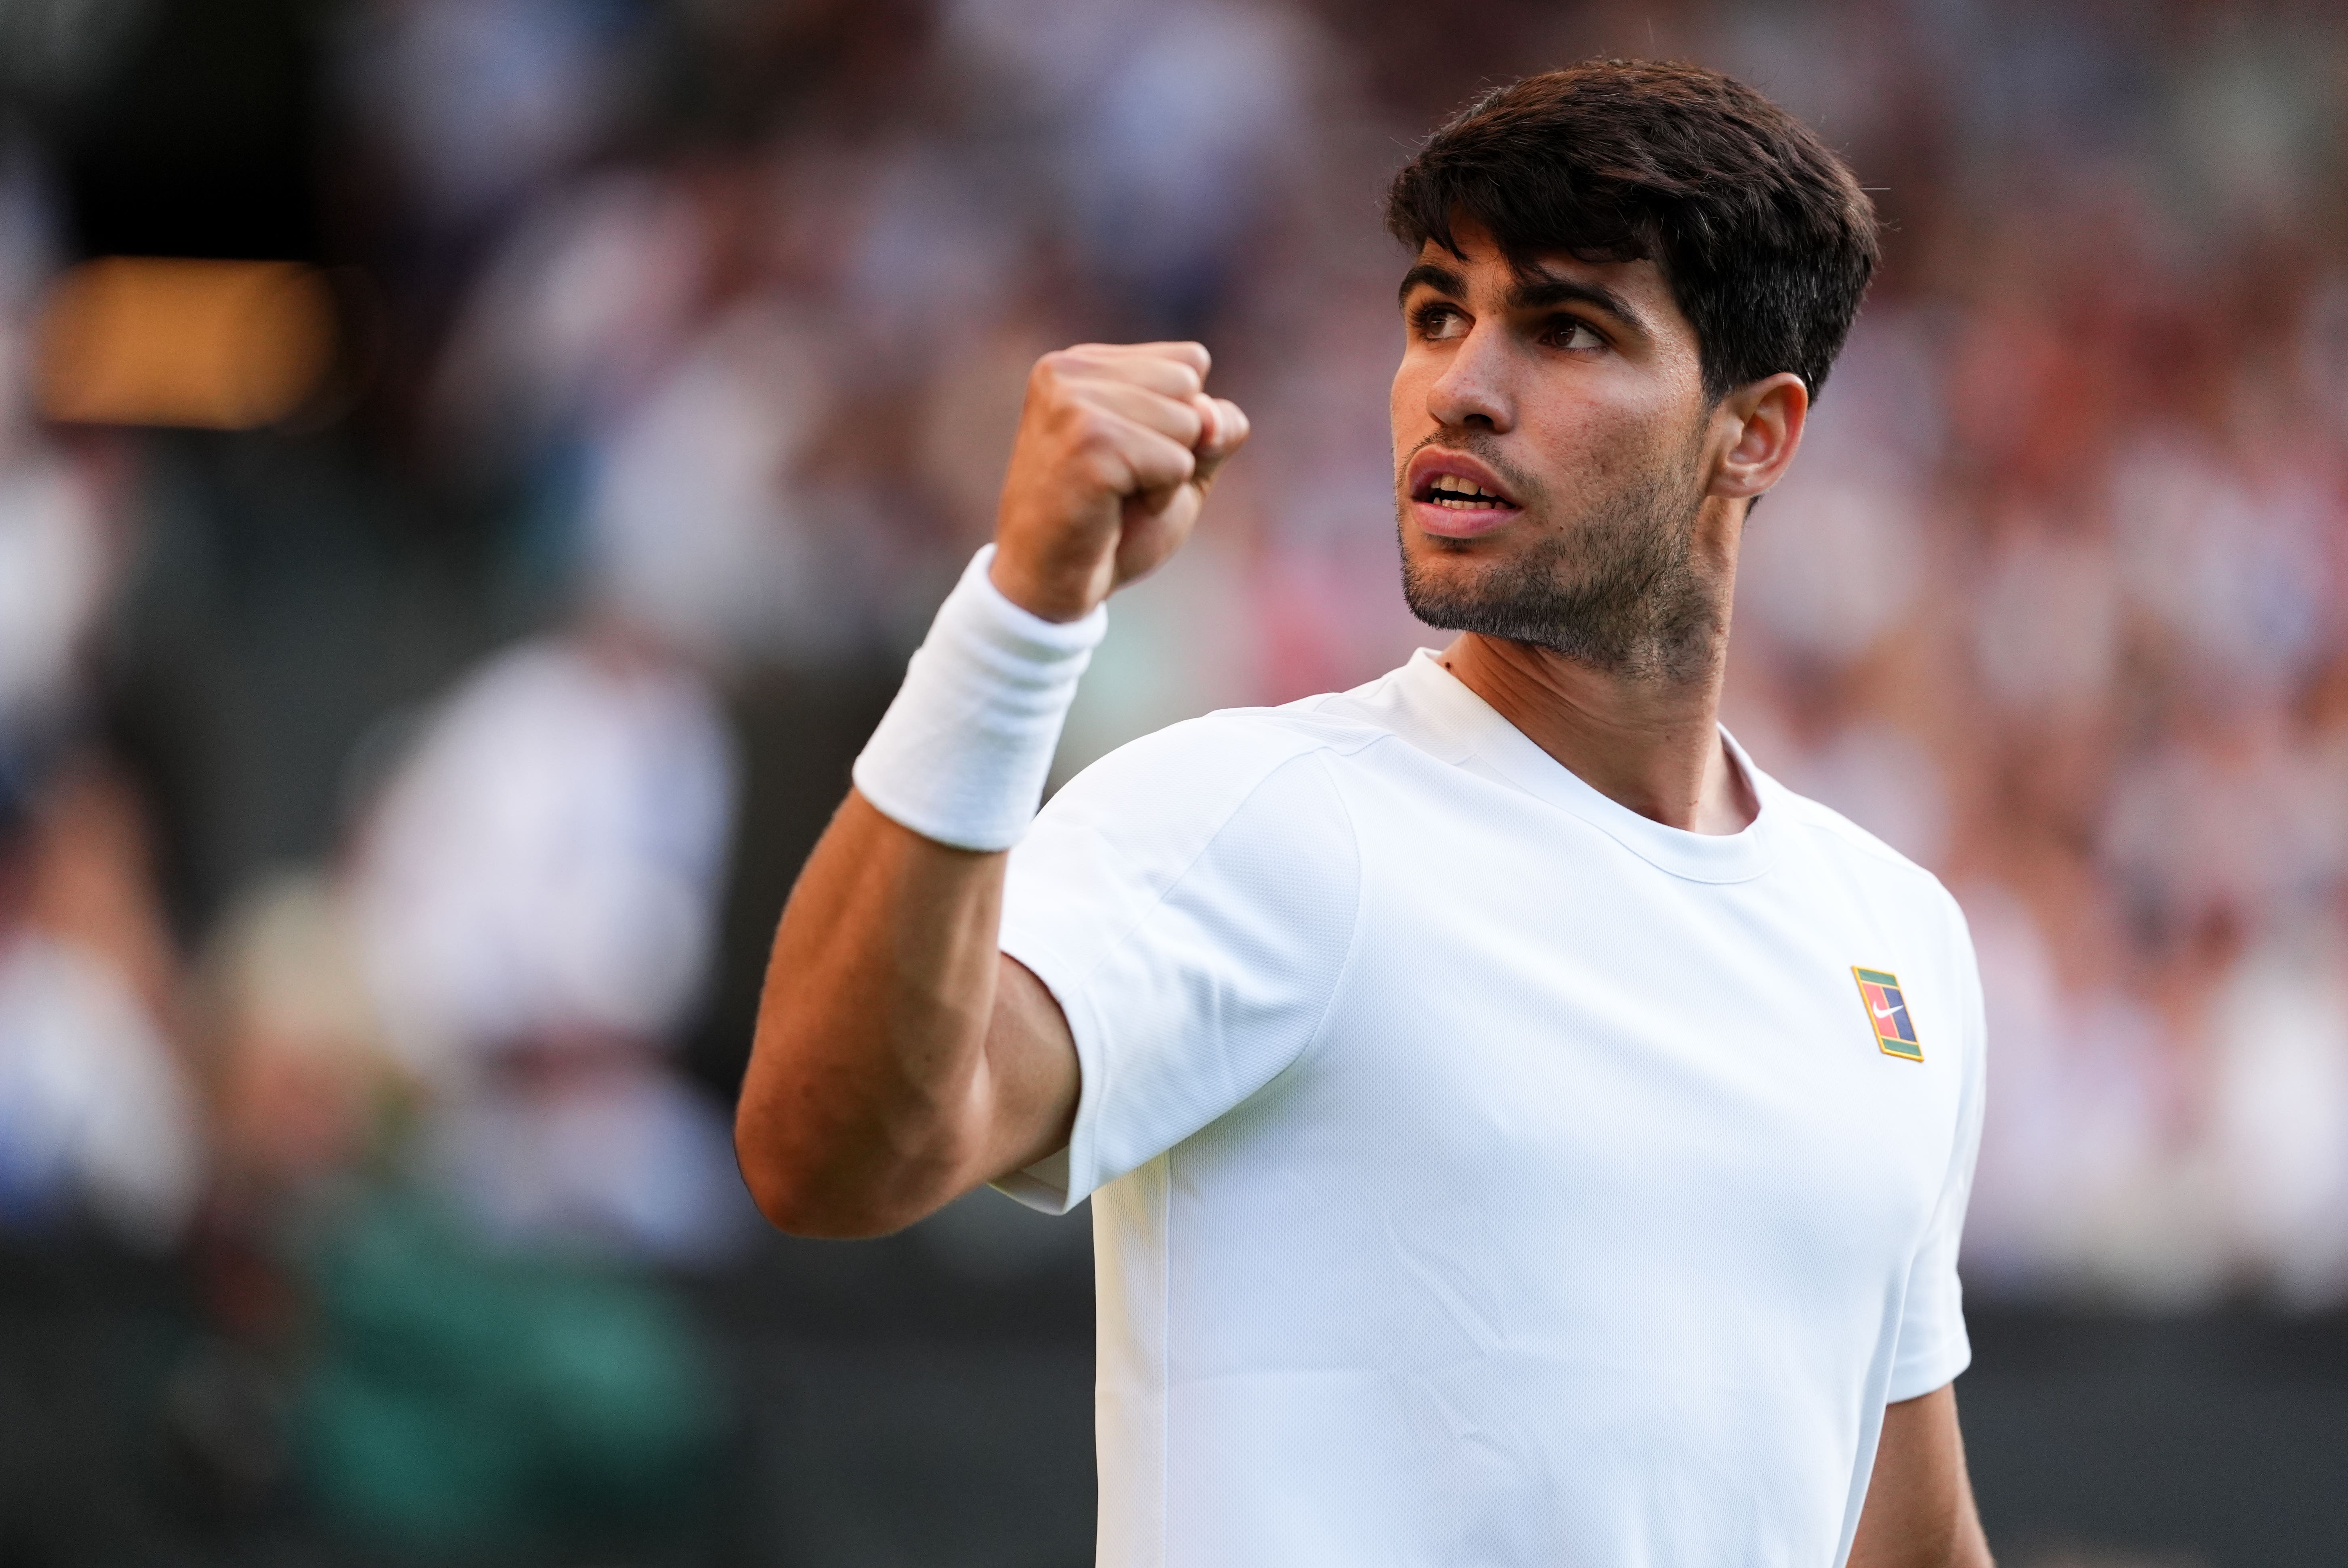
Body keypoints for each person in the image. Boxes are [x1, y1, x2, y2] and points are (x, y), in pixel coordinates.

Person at [737, 59, 1993, 1568]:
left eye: (1569, 328)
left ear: (1756, 435)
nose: (1460, 383)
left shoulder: (1897, 941)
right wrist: (1023, 615)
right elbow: (830, 1153)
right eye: (1436, 313)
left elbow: (1901, 1538)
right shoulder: (1256, 819)